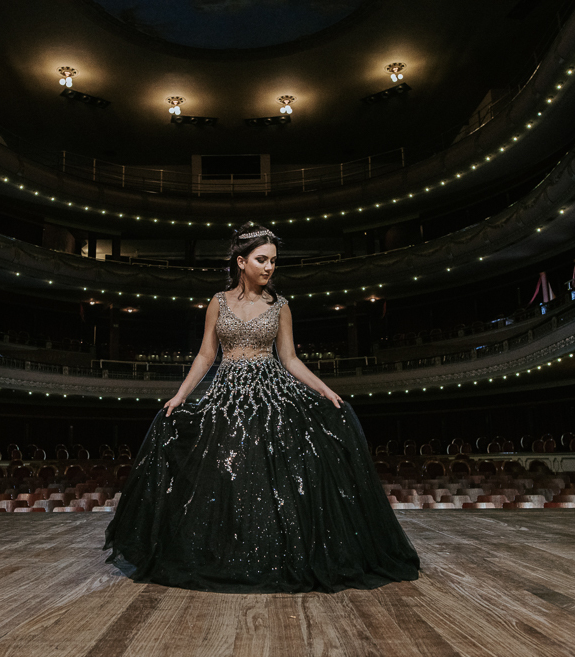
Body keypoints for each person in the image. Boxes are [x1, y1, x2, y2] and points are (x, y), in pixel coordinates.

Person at [104, 222, 419, 593]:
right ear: (241, 261)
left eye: (273, 261)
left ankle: (278, 556)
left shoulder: (280, 306)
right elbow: (206, 355)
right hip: (226, 397)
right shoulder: (218, 302)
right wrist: (181, 395)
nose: (269, 267)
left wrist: (326, 390)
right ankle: (225, 555)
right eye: (262, 260)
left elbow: (290, 358)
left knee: (281, 477)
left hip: (272, 396)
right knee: (225, 477)